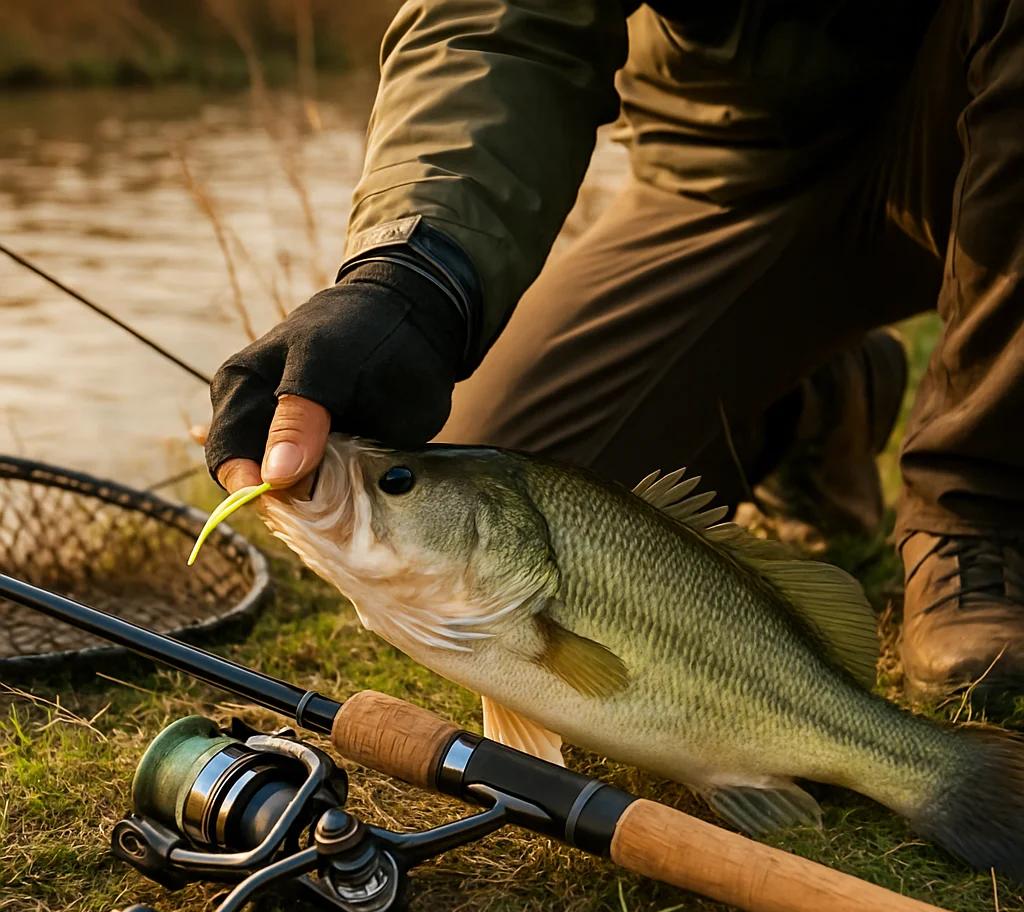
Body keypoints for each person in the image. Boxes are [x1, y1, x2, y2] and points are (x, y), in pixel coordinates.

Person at [204, 0, 1024, 715]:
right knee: (499, 489)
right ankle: (807, 399)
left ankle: (978, 507)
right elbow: (497, 23)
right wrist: (410, 276)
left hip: (984, 143)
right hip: (730, 169)